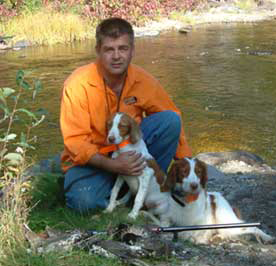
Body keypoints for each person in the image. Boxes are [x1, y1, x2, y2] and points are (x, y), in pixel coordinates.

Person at [60, 17, 192, 214]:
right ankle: (117, 192)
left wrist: (188, 167)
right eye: (109, 49)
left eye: (123, 48)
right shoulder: (77, 84)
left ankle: (146, 188)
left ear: (132, 50)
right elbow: (76, 142)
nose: (116, 56)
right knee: (83, 203)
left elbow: (172, 117)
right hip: (94, 160)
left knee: (170, 120)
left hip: (130, 151)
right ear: (98, 50)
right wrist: (114, 165)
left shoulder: (144, 80)